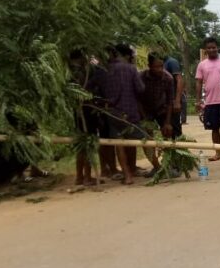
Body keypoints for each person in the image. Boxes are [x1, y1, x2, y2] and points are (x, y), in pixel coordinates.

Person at [95, 44, 145, 185]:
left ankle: (127, 175)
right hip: (131, 111)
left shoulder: (100, 70)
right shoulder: (130, 68)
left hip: (112, 112)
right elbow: (140, 89)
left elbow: (93, 89)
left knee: (119, 143)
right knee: (139, 140)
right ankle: (150, 167)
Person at [68, 50, 104, 186]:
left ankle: (80, 176)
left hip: (78, 111)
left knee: (81, 144)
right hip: (86, 111)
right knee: (88, 143)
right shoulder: (80, 73)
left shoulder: (69, 72)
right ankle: (87, 177)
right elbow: (87, 91)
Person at [139, 53, 176, 175]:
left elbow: (170, 101)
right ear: (149, 66)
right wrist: (144, 119)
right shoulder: (142, 77)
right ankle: (156, 166)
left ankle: (169, 164)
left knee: (167, 135)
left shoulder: (168, 78)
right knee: (146, 139)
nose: (160, 69)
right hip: (146, 110)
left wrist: (167, 122)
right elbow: (138, 99)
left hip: (162, 109)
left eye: (161, 66)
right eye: (156, 67)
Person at [196, 37, 220, 162]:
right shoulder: (202, 65)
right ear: (205, 50)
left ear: (217, 48)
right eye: (209, 48)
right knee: (214, 129)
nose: (212, 50)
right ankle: (218, 153)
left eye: (213, 47)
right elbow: (198, 83)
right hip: (210, 102)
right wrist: (198, 101)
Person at [163, 55, 185, 133]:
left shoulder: (172, 62)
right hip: (163, 102)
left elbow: (179, 80)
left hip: (173, 100)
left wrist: (177, 101)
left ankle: (177, 144)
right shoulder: (161, 63)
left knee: (175, 127)